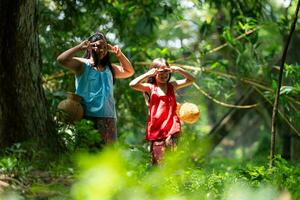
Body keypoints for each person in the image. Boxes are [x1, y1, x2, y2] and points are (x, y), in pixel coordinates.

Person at [57, 32, 134, 145]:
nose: (101, 50)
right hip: (86, 116)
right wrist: (79, 47)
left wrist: (119, 54)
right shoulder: (82, 64)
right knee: (87, 154)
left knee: (107, 156)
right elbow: (61, 59)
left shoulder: (110, 68)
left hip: (108, 117)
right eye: (97, 46)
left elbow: (129, 71)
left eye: (104, 47)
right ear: (90, 47)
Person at [129, 58, 195, 164]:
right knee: (158, 162)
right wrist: (148, 74)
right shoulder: (150, 88)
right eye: (161, 72)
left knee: (171, 158)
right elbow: (132, 84)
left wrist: (179, 69)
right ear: (154, 73)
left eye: (167, 72)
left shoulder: (172, 86)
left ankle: (174, 178)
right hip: (157, 129)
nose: (164, 75)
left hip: (172, 127)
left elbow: (191, 79)